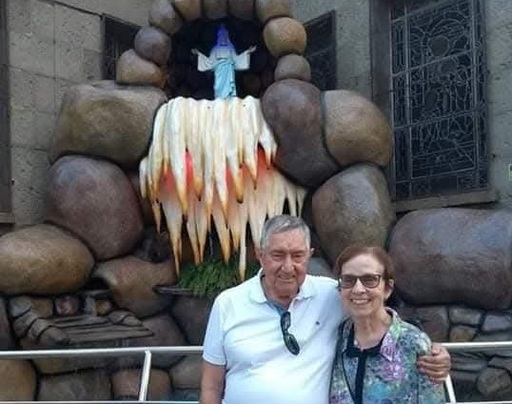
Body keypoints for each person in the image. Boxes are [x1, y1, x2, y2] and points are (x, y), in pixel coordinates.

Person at [200, 215, 449, 404]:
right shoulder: (228, 303)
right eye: (278, 255)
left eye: (297, 255)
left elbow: (374, 311)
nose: (288, 267)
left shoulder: (331, 293)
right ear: (260, 254)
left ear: (309, 255)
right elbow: (211, 387)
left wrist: (432, 350)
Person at [329, 245, 445, 403]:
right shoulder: (336, 337)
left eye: (370, 280)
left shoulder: (413, 344)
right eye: (348, 280)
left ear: (388, 288)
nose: (358, 289)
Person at [192, 24, 256, 99]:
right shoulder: (215, 49)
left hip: (229, 69)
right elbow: (210, 62)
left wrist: (248, 52)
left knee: (229, 85)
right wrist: (199, 54)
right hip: (219, 70)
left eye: (224, 35)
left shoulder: (230, 48)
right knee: (218, 86)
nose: (222, 37)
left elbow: (237, 59)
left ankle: (229, 98)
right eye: (221, 36)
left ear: (226, 36)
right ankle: (219, 98)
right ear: (218, 37)